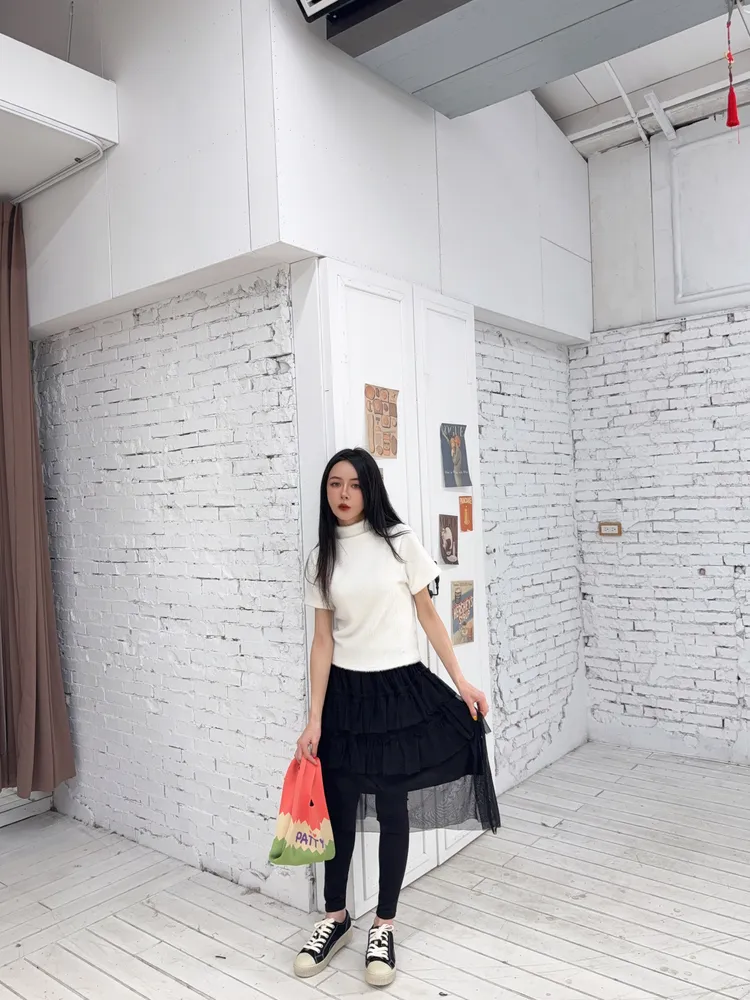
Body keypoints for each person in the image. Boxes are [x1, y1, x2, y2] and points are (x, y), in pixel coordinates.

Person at [293, 447, 500, 988]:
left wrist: (462, 681)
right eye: (334, 484)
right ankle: (335, 917)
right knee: (338, 808)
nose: (343, 494)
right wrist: (314, 718)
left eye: (354, 484)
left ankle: (383, 925)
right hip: (346, 695)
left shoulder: (399, 542)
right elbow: (321, 641)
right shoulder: (321, 558)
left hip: (397, 689)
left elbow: (429, 616)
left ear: (370, 489)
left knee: (391, 806)